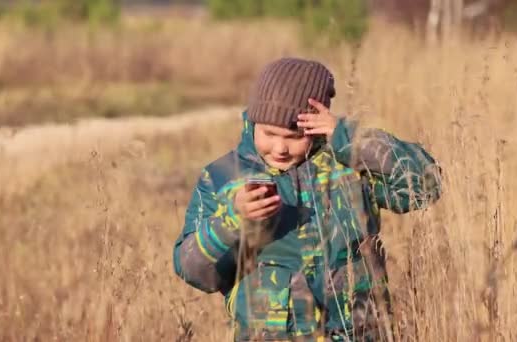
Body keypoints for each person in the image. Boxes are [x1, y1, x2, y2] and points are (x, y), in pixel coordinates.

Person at [173, 57, 442, 341]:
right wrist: (231, 220)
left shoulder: (349, 166)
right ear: (252, 121)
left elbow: (428, 185)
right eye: (269, 133)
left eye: (293, 136)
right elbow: (193, 272)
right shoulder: (222, 177)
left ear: (315, 127)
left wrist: (347, 136)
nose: (280, 148)